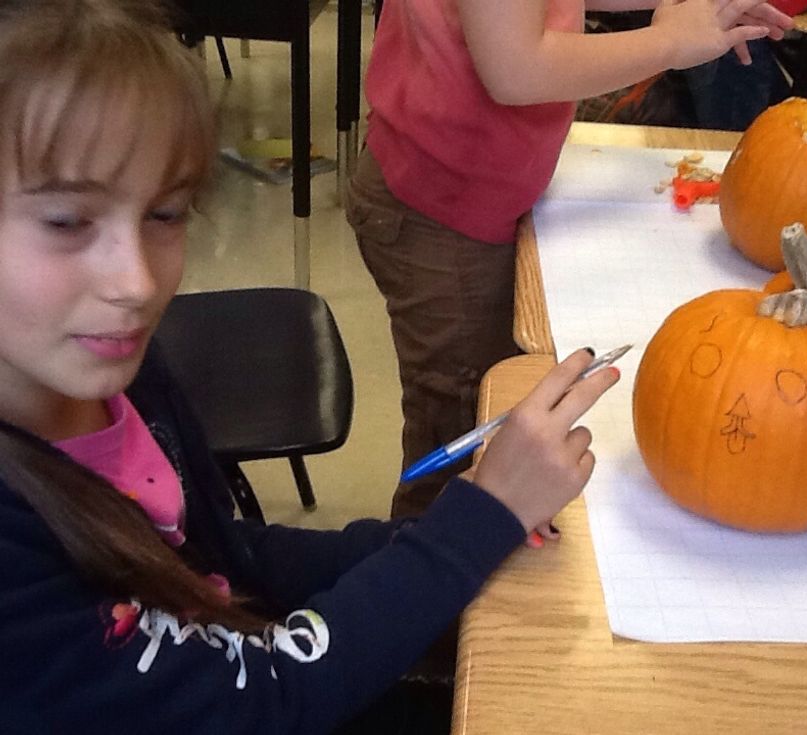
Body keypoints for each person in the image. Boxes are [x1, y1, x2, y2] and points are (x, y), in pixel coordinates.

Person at [0, 0, 619, 731]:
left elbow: (229, 558)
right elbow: (267, 699)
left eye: (164, 215)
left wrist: (467, 518)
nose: (135, 283)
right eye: (67, 222)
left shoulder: (122, 378)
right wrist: (473, 524)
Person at [346, 0, 795, 519]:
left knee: (487, 409)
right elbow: (516, 69)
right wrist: (669, 42)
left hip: (467, 197)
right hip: (442, 217)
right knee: (465, 425)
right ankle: (423, 570)